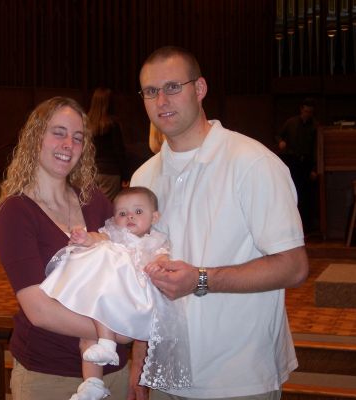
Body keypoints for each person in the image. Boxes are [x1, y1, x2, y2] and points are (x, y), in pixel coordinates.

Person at [129, 46, 310, 400]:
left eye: (172, 87)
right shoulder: (144, 178)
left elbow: (294, 266)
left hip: (238, 376)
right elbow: (142, 277)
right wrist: (140, 353)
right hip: (166, 372)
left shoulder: (252, 163)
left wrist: (200, 279)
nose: (161, 100)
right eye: (150, 91)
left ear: (199, 89)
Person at [0, 97, 129, 400]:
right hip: (49, 375)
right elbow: (39, 310)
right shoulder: (15, 211)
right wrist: (117, 333)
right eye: (59, 133)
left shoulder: (94, 200)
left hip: (113, 372)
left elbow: (128, 264)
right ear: (36, 137)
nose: (69, 144)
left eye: (78, 137)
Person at [41, 186, 191, 399]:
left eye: (138, 211)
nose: (130, 216)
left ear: (154, 217)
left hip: (131, 298)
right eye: (122, 213)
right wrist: (85, 238)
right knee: (87, 340)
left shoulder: (155, 240)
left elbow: (162, 258)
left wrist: (158, 265)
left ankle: (107, 344)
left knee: (97, 327)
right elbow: (98, 237)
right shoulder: (114, 234)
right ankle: (92, 384)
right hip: (107, 296)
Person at [277, 97, 319, 232]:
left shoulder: (315, 126)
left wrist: (314, 169)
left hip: (307, 164)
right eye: (306, 111)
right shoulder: (291, 122)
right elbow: (279, 135)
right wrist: (281, 142)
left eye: (310, 112)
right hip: (292, 162)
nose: (308, 114)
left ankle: (307, 227)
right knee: (292, 193)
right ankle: (292, 226)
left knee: (307, 196)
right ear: (301, 110)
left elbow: (316, 149)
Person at [88, 87, 129, 200]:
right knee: (107, 207)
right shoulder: (112, 124)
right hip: (110, 172)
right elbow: (119, 151)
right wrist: (126, 175)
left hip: (92, 171)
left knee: (93, 205)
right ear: (110, 103)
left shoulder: (87, 124)